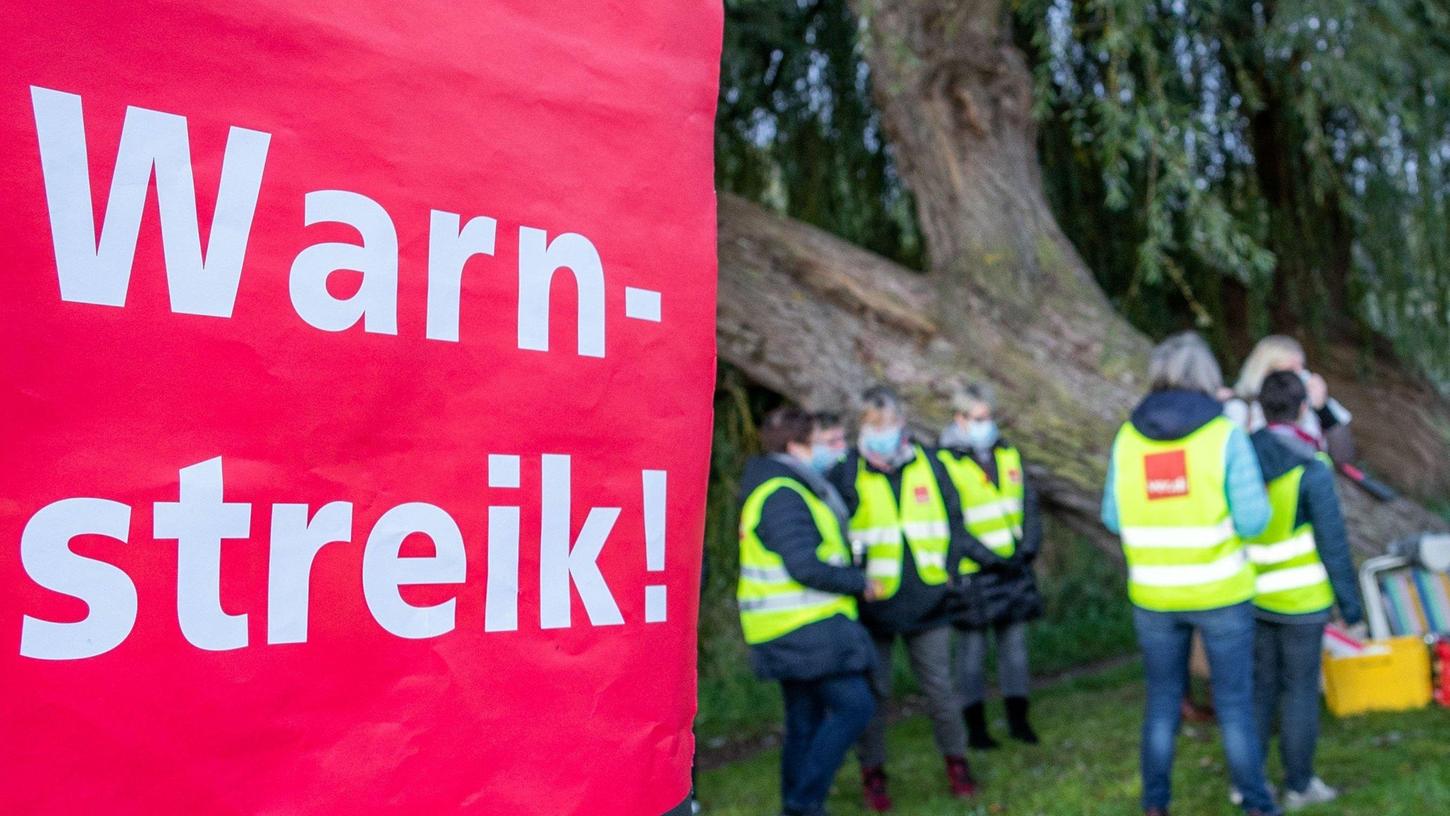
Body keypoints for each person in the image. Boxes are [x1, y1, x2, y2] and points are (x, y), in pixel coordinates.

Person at [1101, 331, 1281, 816]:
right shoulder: (1225, 437)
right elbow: (1253, 521)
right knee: (1235, 704)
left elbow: (1112, 517)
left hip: (1154, 596)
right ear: (1207, 377)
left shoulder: (1126, 439)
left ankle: (1155, 804)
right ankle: (1258, 806)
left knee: (1161, 702)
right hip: (1221, 590)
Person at [827, 386, 1007, 811]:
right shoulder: (845, 471)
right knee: (875, 695)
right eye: (874, 427)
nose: (883, 434)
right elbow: (833, 535)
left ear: (902, 424)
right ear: (862, 428)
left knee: (941, 691)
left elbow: (955, 517)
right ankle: (873, 775)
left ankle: (957, 764)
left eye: (889, 425)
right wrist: (854, 583)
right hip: (873, 606)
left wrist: (948, 571)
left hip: (929, 600)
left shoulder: (928, 461)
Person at [737, 407, 880, 816]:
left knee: (804, 721)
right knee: (855, 707)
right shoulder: (784, 493)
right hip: (803, 629)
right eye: (823, 442)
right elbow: (804, 565)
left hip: (791, 630)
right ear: (796, 446)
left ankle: (796, 806)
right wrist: (858, 582)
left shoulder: (786, 487)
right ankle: (804, 803)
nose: (834, 450)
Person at [1240, 371, 1365, 811]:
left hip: (1252, 597)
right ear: (1302, 409)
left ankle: (1248, 783)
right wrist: (1351, 607)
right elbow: (1333, 543)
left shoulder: (1240, 460)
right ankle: (1299, 784)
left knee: (1259, 690)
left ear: (1260, 407)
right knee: (1298, 692)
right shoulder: (1312, 467)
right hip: (1302, 600)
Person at [937, 383, 1044, 749]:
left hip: (1014, 568)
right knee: (972, 654)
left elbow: (1028, 504)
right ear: (960, 419)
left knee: (1015, 649)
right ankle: (977, 728)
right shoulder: (945, 462)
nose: (986, 425)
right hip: (974, 572)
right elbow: (950, 522)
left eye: (989, 417)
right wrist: (989, 558)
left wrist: (1026, 549)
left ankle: (1019, 721)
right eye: (978, 419)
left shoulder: (1007, 453)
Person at [1225, 335, 1354, 463]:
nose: (1300, 376)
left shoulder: (1315, 401)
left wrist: (1323, 410)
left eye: (1302, 367)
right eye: (1290, 370)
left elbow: (1343, 457)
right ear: (1264, 371)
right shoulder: (1241, 408)